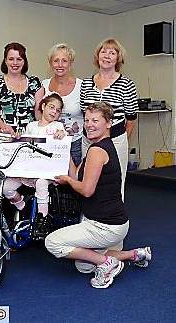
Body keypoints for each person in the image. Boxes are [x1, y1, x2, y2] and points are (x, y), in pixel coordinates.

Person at [45, 102, 151, 289]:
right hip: (112, 223)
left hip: (105, 226)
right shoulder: (100, 146)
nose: (89, 124)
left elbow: (86, 189)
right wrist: (64, 147)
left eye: (95, 120)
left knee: (52, 243)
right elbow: (76, 175)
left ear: (108, 123)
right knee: (84, 266)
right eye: (86, 120)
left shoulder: (97, 151)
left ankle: (106, 264)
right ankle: (136, 254)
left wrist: (67, 182)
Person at [80, 38, 138, 199]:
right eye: (103, 51)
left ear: (118, 58)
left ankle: (114, 220)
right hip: (89, 140)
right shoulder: (85, 83)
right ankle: (87, 220)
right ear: (97, 56)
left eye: (112, 52)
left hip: (116, 140)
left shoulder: (127, 84)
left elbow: (131, 119)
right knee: (88, 182)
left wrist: (121, 141)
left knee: (115, 183)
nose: (107, 56)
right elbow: (84, 113)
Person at [3, 93, 65, 220]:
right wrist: (18, 137)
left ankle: (42, 218)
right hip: (28, 170)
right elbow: (24, 146)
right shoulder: (31, 126)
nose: (54, 112)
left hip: (45, 171)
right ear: (43, 106)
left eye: (58, 111)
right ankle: (21, 205)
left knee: (41, 184)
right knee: (6, 187)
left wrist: (61, 134)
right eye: (51, 107)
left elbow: (63, 135)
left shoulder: (57, 126)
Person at [0, 42, 45, 135]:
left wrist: (51, 127)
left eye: (19, 59)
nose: (15, 63)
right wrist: (5, 128)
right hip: (5, 137)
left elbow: (39, 114)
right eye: (11, 59)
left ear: (24, 61)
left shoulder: (35, 83)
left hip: (30, 138)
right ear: (5, 61)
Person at [42, 43, 83, 166]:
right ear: (50, 63)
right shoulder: (43, 85)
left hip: (76, 144)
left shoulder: (82, 86)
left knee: (75, 182)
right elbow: (39, 115)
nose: (60, 65)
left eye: (64, 61)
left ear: (70, 64)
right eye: (56, 61)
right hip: (51, 142)